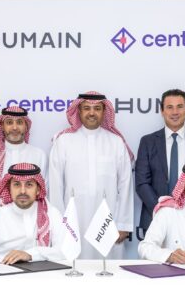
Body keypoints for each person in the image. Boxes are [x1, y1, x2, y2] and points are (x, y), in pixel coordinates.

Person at [48, 91, 133, 259]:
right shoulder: (64, 141)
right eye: (86, 108)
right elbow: (55, 185)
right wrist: (59, 224)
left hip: (108, 219)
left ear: (104, 112)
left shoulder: (115, 142)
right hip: (73, 218)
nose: (92, 113)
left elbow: (126, 185)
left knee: (108, 268)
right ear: (79, 111)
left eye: (97, 108)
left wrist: (122, 223)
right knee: (73, 265)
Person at [135, 88, 185, 239]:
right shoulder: (147, 142)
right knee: (154, 262)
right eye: (169, 107)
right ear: (162, 111)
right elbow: (142, 183)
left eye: (180, 106)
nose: (175, 112)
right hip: (155, 216)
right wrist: (161, 208)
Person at [0, 163, 65, 264]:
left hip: (42, 277)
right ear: (9, 189)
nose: (23, 191)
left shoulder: (52, 213)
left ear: (38, 189)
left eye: (29, 185)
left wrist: (30, 254)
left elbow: (65, 249)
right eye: (17, 184)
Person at [0, 106, 47, 226]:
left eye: (19, 122)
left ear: (26, 126)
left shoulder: (39, 155)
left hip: (31, 225)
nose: (14, 127)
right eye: (9, 122)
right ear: (2, 126)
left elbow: (44, 196)